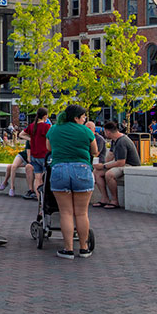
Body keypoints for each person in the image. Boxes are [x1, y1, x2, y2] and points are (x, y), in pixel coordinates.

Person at [46, 104, 98, 259]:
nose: (84, 120)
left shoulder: (54, 129)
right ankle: (83, 248)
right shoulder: (86, 131)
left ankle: (68, 249)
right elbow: (94, 151)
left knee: (66, 213)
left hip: (60, 170)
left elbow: (48, 147)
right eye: (83, 117)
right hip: (82, 169)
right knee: (81, 213)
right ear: (76, 117)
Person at [92, 121, 140, 209]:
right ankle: (104, 198)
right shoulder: (115, 140)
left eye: (105, 132)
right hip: (121, 162)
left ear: (108, 132)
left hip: (129, 164)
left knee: (109, 174)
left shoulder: (122, 141)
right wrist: (101, 165)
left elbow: (121, 162)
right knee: (97, 172)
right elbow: (110, 155)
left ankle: (115, 200)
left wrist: (104, 166)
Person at [19, 107, 51, 200]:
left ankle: (39, 199)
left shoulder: (32, 126)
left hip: (34, 155)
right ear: (45, 116)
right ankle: (45, 199)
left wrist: (31, 139)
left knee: (37, 178)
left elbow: (21, 134)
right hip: (44, 155)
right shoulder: (47, 127)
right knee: (45, 178)